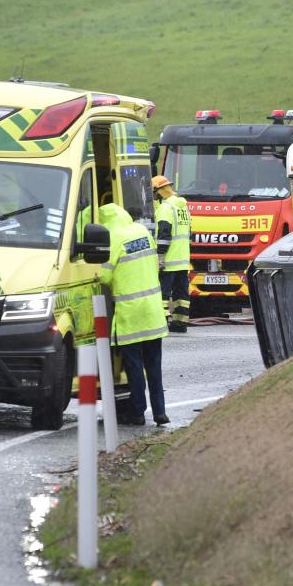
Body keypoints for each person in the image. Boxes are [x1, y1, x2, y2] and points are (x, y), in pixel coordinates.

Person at [98, 202, 169, 426]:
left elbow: (105, 277)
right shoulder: (141, 231)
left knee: (135, 367)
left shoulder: (113, 238)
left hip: (131, 314)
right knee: (154, 366)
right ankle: (160, 412)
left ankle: (138, 412)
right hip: (153, 311)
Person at [152, 175, 191, 332]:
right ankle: (180, 323)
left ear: (159, 192)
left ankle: (162, 321)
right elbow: (189, 233)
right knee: (181, 293)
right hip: (183, 259)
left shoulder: (165, 208)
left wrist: (160, 257)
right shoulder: (182, 207)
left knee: (163, 293)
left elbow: (164, 235)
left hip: (169, 260)